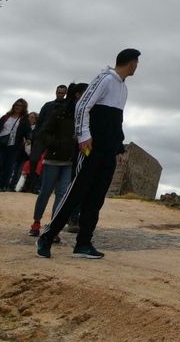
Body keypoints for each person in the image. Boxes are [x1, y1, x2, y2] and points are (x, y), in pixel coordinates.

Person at [37, 48, 140, 261]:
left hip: (108, 151)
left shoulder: (123, 88)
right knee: (75, 193)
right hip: (90, 148)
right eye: (136, 63)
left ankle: (83, 244)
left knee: (96, 199)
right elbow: (82, 106)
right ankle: (46, 236)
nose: (137, 67)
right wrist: (83, 135)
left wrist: (119, 147)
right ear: (130, 63)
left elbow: (116, 121)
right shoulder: (104, 79)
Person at [30, 81, 85, 236]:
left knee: (61, 195)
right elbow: (44, 132)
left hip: (69, 160)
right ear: (78, 95)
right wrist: (57, 144)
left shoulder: (83, 115)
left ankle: (53, 228)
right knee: (46, 192)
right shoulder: (59, 111)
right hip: (54, 158)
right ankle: (36, 222)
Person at [0, 99, 29, 191]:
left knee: (8, 167)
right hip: (0, 144)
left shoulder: (24, 120)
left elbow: (27, 132)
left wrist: (29, 139)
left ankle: (2, 186)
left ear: (23, 108)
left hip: (13, 146)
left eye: (20, 105)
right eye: (16, 105)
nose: (17, 107)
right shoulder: (5, 117)